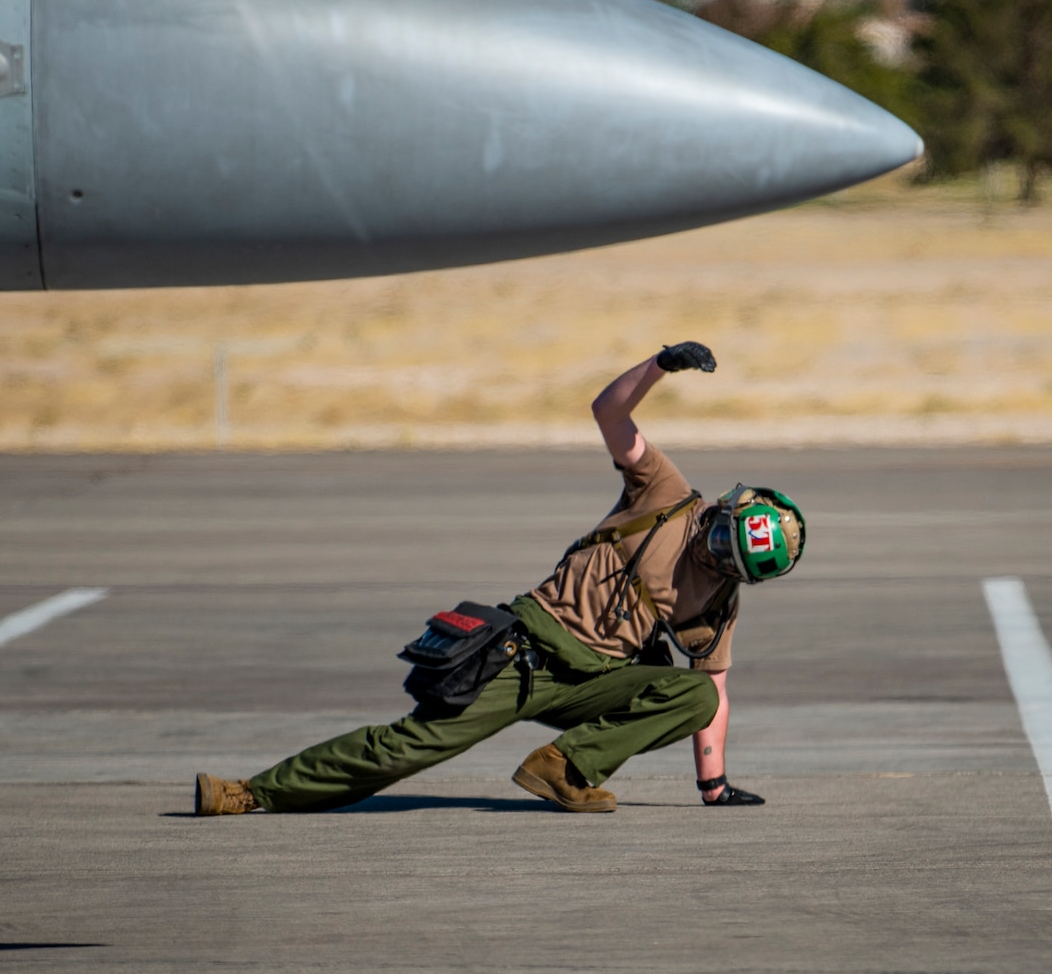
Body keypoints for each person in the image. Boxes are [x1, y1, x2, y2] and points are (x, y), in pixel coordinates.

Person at [194, 341, 806, 816]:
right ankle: (250, 793)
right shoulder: (667, 493)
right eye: (724, 535)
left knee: (693, 694)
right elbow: (609, 410)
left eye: (731, 559)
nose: (717, 552)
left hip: (590, 684)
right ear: (729, 507)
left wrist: (715, 786)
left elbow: (715, 694)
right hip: (523, 660)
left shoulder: (718, 600)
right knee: (406, 748)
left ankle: (563, 768)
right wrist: (660, 364)